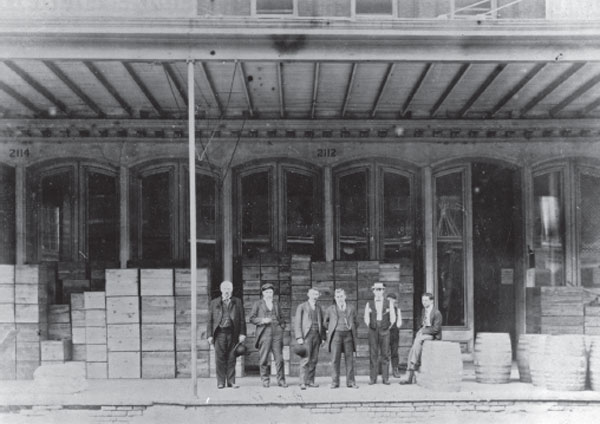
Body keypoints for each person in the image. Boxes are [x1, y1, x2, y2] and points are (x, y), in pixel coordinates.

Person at [207, 280, 246, 389]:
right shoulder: (214, 302)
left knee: (231, 358)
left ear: (232, 290)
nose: (227, 291)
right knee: (219, 358)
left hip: (232, 333)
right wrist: (209, 335)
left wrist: (242, 333)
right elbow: (209, 320)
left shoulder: (237, 302)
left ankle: (231, 382)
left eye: (229, 289)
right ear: (221, 290)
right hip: (219, 334)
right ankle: (220, 382)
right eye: (224, 289)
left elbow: (242, 319)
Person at [399, 292, 442, 384]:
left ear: (431, 301)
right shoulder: (424, 311)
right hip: (425, 333)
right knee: (414, 347)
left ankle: (411, 371)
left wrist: (423, 332)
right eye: (423, 300)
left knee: (418, 340)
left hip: (433, 336)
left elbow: (436, 329)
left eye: (426, 300)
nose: (424, 302)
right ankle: (412, 369)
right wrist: (421, 331)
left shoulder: (436, 313)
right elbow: (423, 324)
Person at [250, 283, 287, 388]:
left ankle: (281, 380)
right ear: (263, 293)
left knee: (279, 358)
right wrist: (262, 320)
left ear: (273, 293)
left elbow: (282, 318)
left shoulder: (276, 303)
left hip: (277, 333)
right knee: (264, 358)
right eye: (266, 292)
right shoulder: (258, 304)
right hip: (264, 332)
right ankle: (265, 380)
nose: (269, 294)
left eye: (270, 292)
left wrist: (281, 327)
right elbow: (251, 318)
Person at [324, 288, 359, 389]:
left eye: (341, 296)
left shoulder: (351, 308)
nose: (340, 298)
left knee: (349, 359)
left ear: (345, 297)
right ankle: (335, 382)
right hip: (336, 335)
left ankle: (351, 382)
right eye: (338, 297)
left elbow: (356, 322)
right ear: (335, 298)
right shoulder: (330, 309)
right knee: (335, 359)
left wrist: (350, 327)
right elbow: (325, 322)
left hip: (348, 335)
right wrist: (333, 328)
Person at [364, 282, 396, 385]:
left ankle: (385, 378)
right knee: (373, 354)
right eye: (376, 290)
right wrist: (371, 325)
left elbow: (393, 318)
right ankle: (373, 378)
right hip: (373, 330)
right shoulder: (369, 303)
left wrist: (386, 327)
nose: (378, 292)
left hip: (385, 329)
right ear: (373, 291)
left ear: (383, 291)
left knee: (385, 354)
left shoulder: (388, 303)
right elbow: (366, 317)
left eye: (380, 290)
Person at [294, 287, 326, 390]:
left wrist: (323, 337)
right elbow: (297, 322)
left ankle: (310, 381)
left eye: (316, 295)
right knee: (305, 359)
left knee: (314, 359)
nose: (315, 297)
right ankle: (302, 382)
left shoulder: (319, 308)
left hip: (317, 335)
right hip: (306, 336)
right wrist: (299, 337)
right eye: (313, 294)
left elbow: (323, 324)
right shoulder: (302, 306)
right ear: (308, 294)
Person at [386, 293, 402, 378]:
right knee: (384, 351)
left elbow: (399, 322)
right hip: (385, 333)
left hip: (394, 333)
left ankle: (395, 370)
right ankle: (384, 371)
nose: (390, 302)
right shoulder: (384, 310)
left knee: (394, 352)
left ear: (395, 301)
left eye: (392, 300)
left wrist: (396, 326)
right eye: (389, 300)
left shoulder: (397, 310)